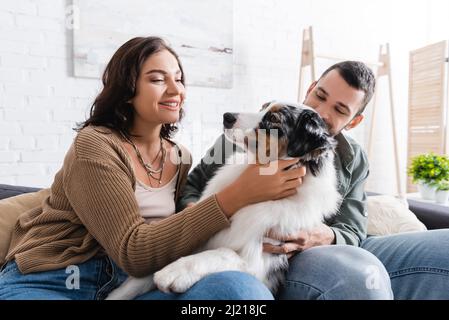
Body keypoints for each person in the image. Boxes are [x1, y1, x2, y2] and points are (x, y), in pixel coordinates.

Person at [0, 36, 307, 300]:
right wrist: (237, 195)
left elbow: (185, 231)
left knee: (238, 293)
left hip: (136, 284)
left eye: (179, 78)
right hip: (57, 279)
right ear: (127, 89)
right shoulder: (95, 145)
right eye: (158, 79)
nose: (176, 90)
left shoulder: (180, 156)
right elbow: (132, 252)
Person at [180, 61, 449, 300]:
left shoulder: (353, 157)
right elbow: (191, 187)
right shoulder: (249, 129)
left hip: (328, 247)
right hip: (281, 260)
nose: (321, 112)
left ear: (354, 122)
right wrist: (202, 218)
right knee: (357, 272)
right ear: (310, 88)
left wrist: (323, 234)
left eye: (340, 110)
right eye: (320, 96)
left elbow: (353, 229)